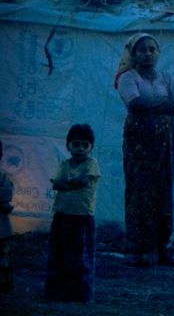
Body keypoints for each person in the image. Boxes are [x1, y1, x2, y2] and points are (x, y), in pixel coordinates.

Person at [115, 33, 174, 267]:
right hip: (139, 142)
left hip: (164, 141)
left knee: (163, 189)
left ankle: (162, 246)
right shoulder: (128, 77)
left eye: (152, 49)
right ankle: (139, 247)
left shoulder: (167, 77)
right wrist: (164, 106)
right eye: (142, 50)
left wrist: (152, 107)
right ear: (133, 54)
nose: (147, 54)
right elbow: (134, 103)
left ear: (158, 53)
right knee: (140, 190)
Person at [45, 124, 99, 302]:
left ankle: (81, 295)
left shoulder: (92, 164)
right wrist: (69, 183)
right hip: (61, 215)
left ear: (91, 147)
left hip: (82, 217)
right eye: (76, 144)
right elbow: (55, 184)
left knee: (81, 257)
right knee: (58, 254)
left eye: (85, 145)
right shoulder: (63, 164)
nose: (80, 149)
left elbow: (83, 181)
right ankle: (57, 293)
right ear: (68, 146)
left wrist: (66, 183)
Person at [0, 139, 14, 293]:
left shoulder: (3, 177)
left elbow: (5, 195)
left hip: (1, 226)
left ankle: (4, 281)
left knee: (2, 254)